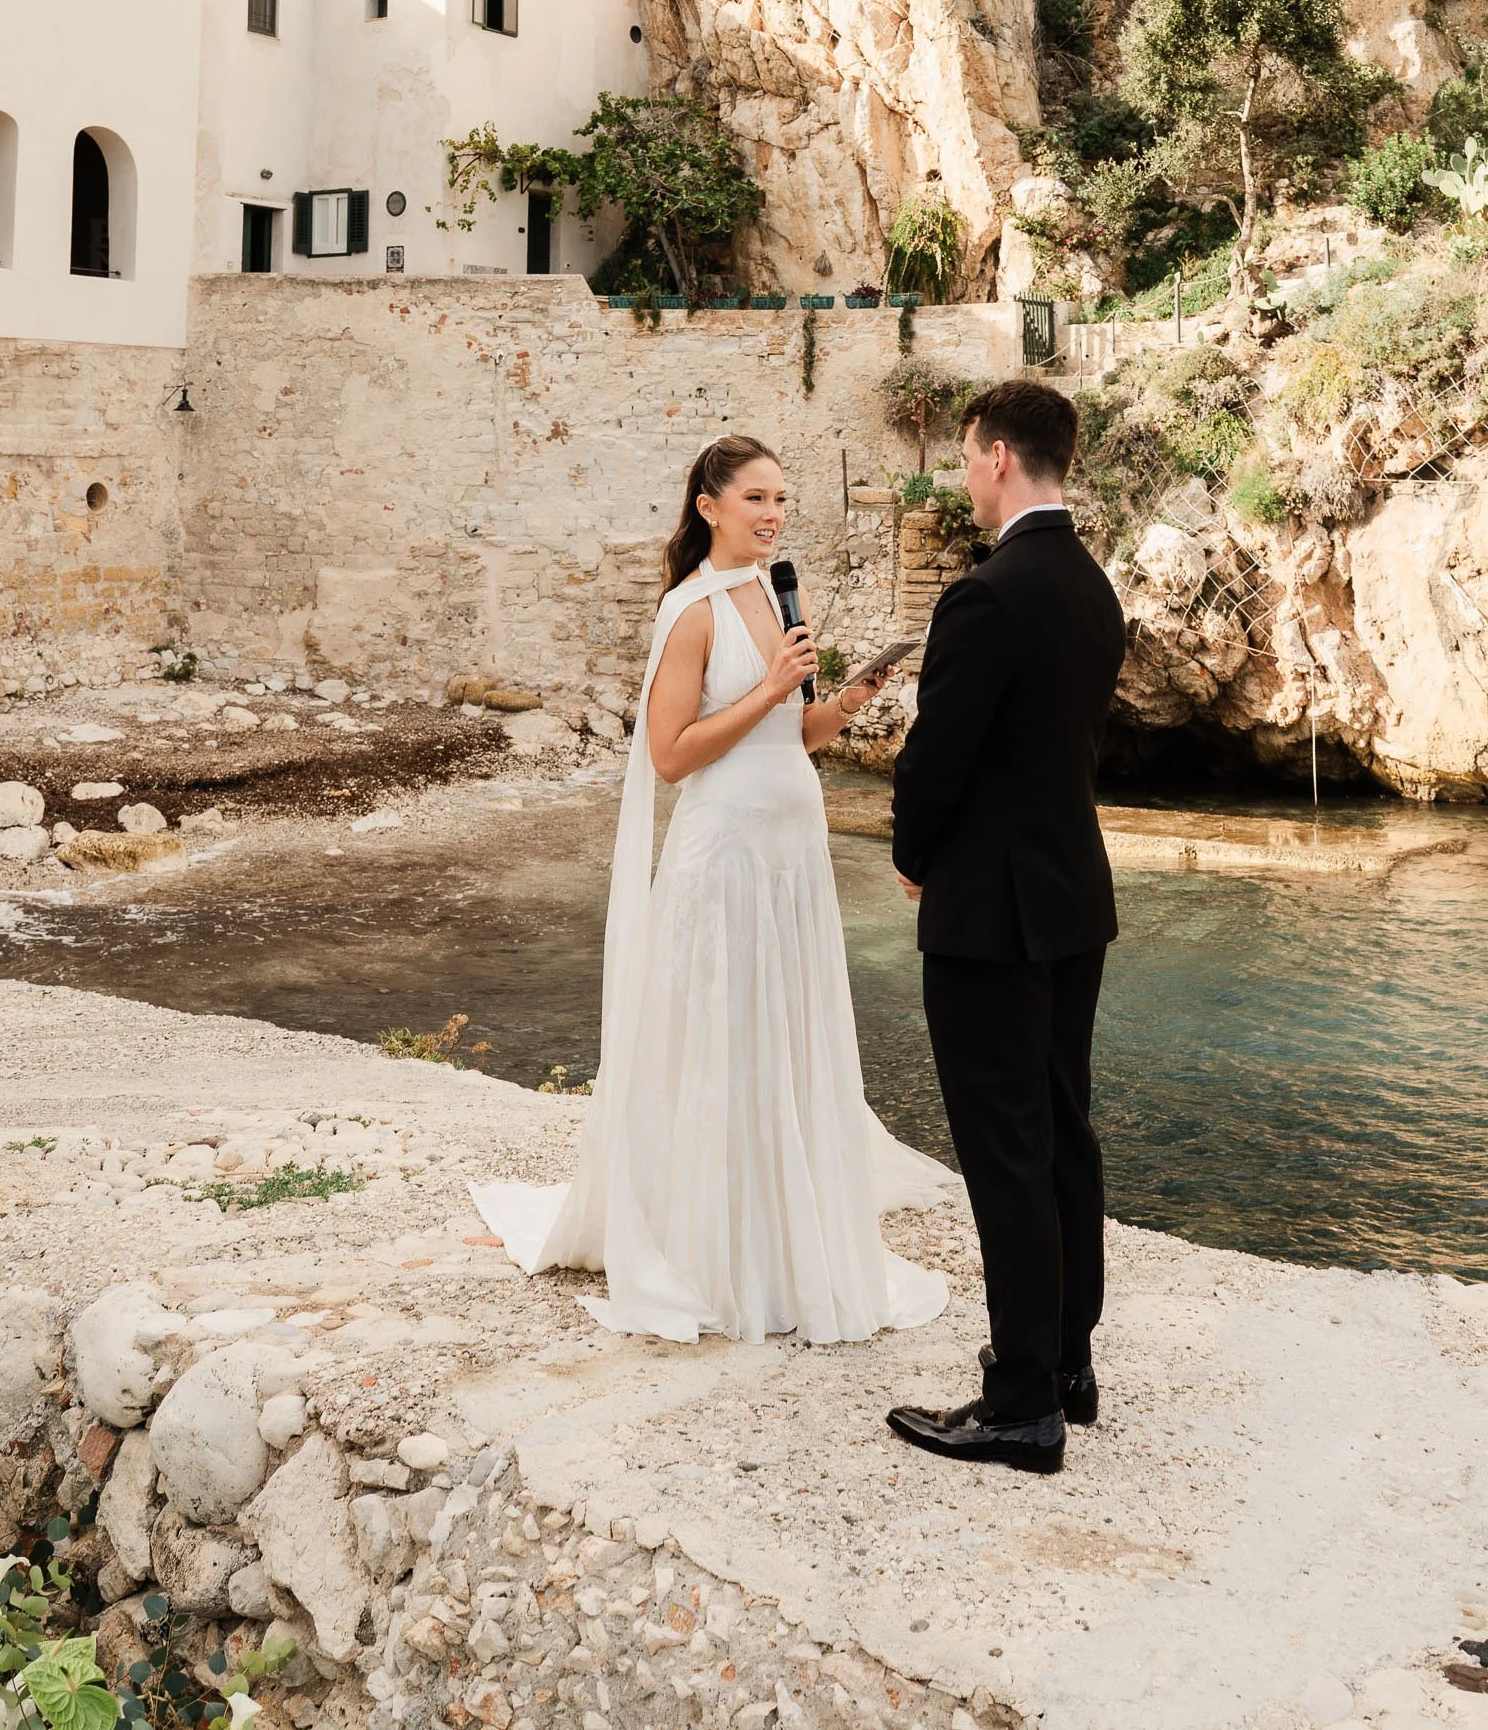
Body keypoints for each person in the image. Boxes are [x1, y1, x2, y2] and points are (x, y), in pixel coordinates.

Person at [471, 433, 951, 1344]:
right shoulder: (688, 611)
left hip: (791, 852)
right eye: (756, 498)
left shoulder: (770, 593)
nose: (773, 515)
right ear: (709, 506)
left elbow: (790, 736)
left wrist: (844, 703)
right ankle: (712, 1248)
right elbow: (671, 755)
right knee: (719, 1039)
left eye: (781, 499)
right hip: (723, 855)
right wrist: (770, 689)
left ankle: (782, 1230)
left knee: (782, 1035)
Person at [884, 379, 1126, 1475]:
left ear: (993, 457)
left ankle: (1021, 1402)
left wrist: (912, 855)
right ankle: (1068, 1362)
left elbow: (938, 755)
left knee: (1005, 1152)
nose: (962, 478)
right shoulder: (1090, 586)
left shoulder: (986, 594)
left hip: (989, 912)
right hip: (1073, 898)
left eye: (964, 457)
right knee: (1063, 1131)